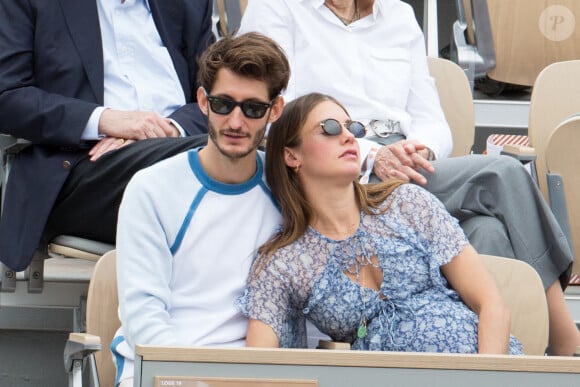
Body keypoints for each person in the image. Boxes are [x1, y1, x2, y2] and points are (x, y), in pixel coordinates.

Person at [238, 0, 580, 355]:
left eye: (344, 128)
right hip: (353, 166)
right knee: (498, 187)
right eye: (332, 128)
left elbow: (431, 116)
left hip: (410, 166)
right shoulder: (276, 7)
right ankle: (563, 341)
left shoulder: (399, 14)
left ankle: (515, 356)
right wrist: (369, 152)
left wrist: (420, 151)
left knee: (494, 205)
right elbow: (273, 109)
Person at [238, 92, 522, 355]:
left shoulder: (407, 203)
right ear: (291, 156)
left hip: (483, 367)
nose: (349, 137)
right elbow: (260, 365)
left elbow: (490, 305)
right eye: (330, 128)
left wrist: (487, 379)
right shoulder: (285, 262)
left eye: (353, 128)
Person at [111, 32, 290, 387]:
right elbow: (144, 320)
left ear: (276, 110)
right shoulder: (151, 188)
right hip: (165, 373)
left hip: (258, 377)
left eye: (253, 109)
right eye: (223, 104)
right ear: (202, 102)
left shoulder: (289, 187)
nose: (236, 122)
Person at [0, 0, 215, 272]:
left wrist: (167, 129)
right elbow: (7, 97)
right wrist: (107, 120)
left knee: (250, 162)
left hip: (180, 147)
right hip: (83, 166)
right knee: (228, 163)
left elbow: (222, 96)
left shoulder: (190, 5)